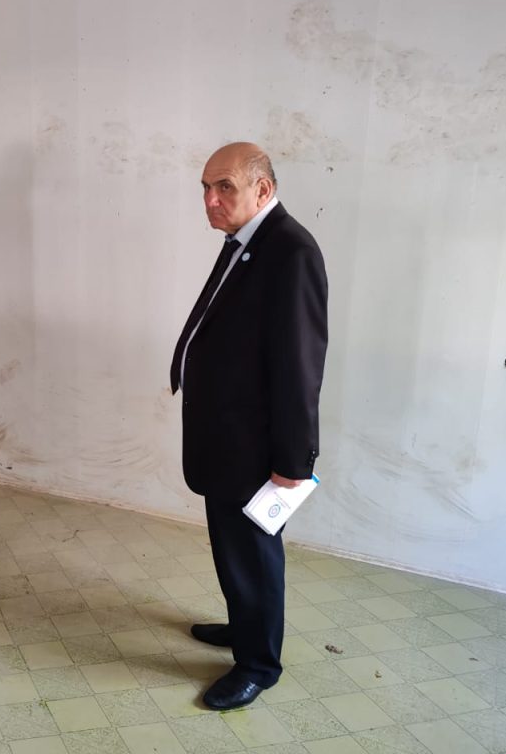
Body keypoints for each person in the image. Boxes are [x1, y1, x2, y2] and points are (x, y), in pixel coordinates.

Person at [170, 142, 328, 710]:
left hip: (256, 447)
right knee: (231, 546)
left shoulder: (291, 251)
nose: (210, 200)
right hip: (225, 437)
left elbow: (300, 366)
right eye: (205, 188)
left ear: (263, 189)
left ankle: (259, 664)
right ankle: (244, 625)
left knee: (254, 554)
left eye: (225, 187)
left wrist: (293, 460)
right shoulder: (245, 241)